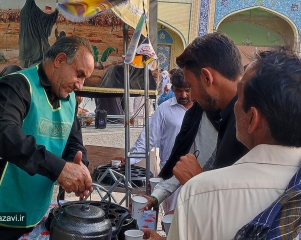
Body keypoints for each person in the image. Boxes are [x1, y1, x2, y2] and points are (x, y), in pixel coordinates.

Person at [144, 50, 301, 239]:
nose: (190, 97)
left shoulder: (199, 193)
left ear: (253, 119)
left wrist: (200, 186)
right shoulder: (200, 116)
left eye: (240, 97)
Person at [0, 36, 94, 239]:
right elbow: (2, 133)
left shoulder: (70, 98)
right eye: (79, 75)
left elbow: (73, 142)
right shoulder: (15, 85)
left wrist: (78, 168)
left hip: (36, 210)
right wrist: (60, 169)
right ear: (60, 60)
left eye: (84, 79)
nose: (80, 85)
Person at [141, 32, 248, 212]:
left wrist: (196, 185)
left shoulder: (248, 125)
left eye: (190, 87)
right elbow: (188, 165)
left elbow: (241, 206)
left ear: (207, 77)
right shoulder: (204, 114)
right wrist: (158, 198)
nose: (192, 97)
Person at [128, 69, 193, 213]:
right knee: (170, 220)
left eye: (187, 90)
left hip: (196, 176)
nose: (183, 95)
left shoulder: (203, 110)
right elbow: (148, 138)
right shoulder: (165, 109)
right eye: (178, 91)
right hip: (170, 173)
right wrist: (130, 159)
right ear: (172, 88)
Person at [19, 0, 59, 68]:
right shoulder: (35, 10)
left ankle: (25, 65)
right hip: (34, 39)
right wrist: (56, 12)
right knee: (35, 55)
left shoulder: (23, 11)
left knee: (26, 52)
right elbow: (45, 19)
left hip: (24, 39)